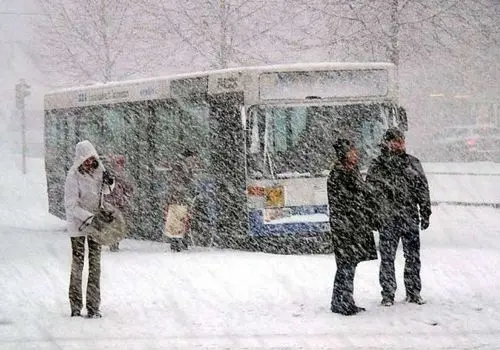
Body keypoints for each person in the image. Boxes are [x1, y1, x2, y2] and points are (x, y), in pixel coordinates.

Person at [366, 127, 432, 306]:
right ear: (387, 142)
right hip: (387, 218)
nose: (399, 144)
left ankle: (413, 291)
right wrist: (372, 216)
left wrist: (425, 211)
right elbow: (371, 193)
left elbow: (422, 189)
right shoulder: (378, 165)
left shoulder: (412, 163)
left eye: (401, 141)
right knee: (387, 258)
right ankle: (388, 293)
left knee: (412, 256)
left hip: (409, 216)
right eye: (395, 141)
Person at [64, 140, 115, 318]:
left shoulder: (99, 171)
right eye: (85, 159)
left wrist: (110, 182)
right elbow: (71, 205)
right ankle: (76, 305)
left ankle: (93, 306)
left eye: (91, 159)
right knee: (78, 265)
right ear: (79, 159)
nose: (89, 162)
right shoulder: (73, 176)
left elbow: (105, 191)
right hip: (78, 226)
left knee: (95, 265)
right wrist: (90, 217)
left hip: (96, 226)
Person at [327, 138, 378, 316]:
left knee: (349, 264)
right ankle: (342, 301)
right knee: (346, 265)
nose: (355, 155)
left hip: (353, 224)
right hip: (345, 226)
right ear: (343, 155)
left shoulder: (351, 171)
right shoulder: (339, 174)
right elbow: (347, 199)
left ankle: (342, 300)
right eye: (351, 152)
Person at [165, 149, 200, 252]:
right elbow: (179, 182)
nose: (194, 160)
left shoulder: (182, 166)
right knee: (178, 219)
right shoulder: (180, 166)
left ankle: (180, 241)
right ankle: (177, 242)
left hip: (179, 197)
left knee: (181, 220)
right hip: (178, 198)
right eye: (193, 158)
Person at [103, 154, 135, 252]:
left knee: (116, 223)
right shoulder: (112, 174)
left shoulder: (122, 175)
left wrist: (124, 199)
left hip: (117, 203)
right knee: (113, 223)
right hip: (113, 203)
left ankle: (114, 241)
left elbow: (129, 189)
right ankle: (113, 241)